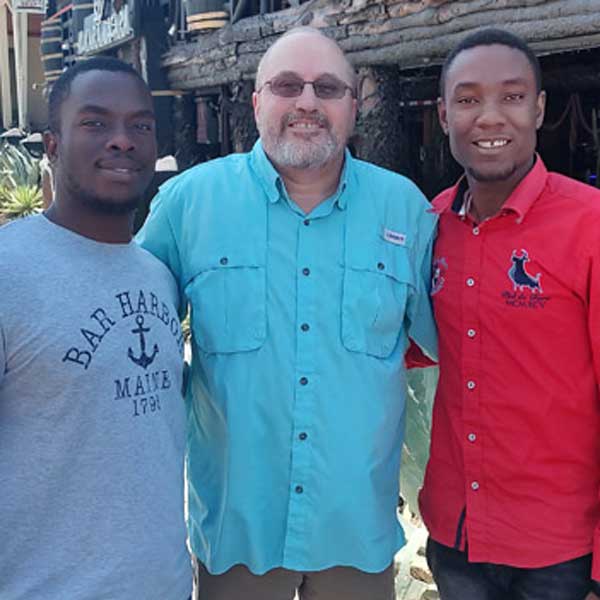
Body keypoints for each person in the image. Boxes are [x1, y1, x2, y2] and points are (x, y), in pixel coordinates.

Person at [137, 26, 437, 600]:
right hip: (237, 537)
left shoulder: (406, 210)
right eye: (286, 86)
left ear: (354, 104)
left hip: (355, 532)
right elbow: (130, 340)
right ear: (257, 102)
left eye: (327, 88)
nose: (307, 102)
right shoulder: (187, 205)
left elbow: (449, 351)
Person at [0, 57, 192, 600]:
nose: (122, 140)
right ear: (52, 145)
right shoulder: (8, 272)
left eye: (140, 125)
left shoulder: (158, 275)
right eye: (94, 123)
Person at [419, 27, 600, 600]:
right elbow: (386, 343)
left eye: (513, 97)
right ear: (444, 115)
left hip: (560, 554)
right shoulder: (429, 226)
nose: (489, 117)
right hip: (457, 537)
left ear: (540, 109)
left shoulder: (590, 225)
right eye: (468, 99)